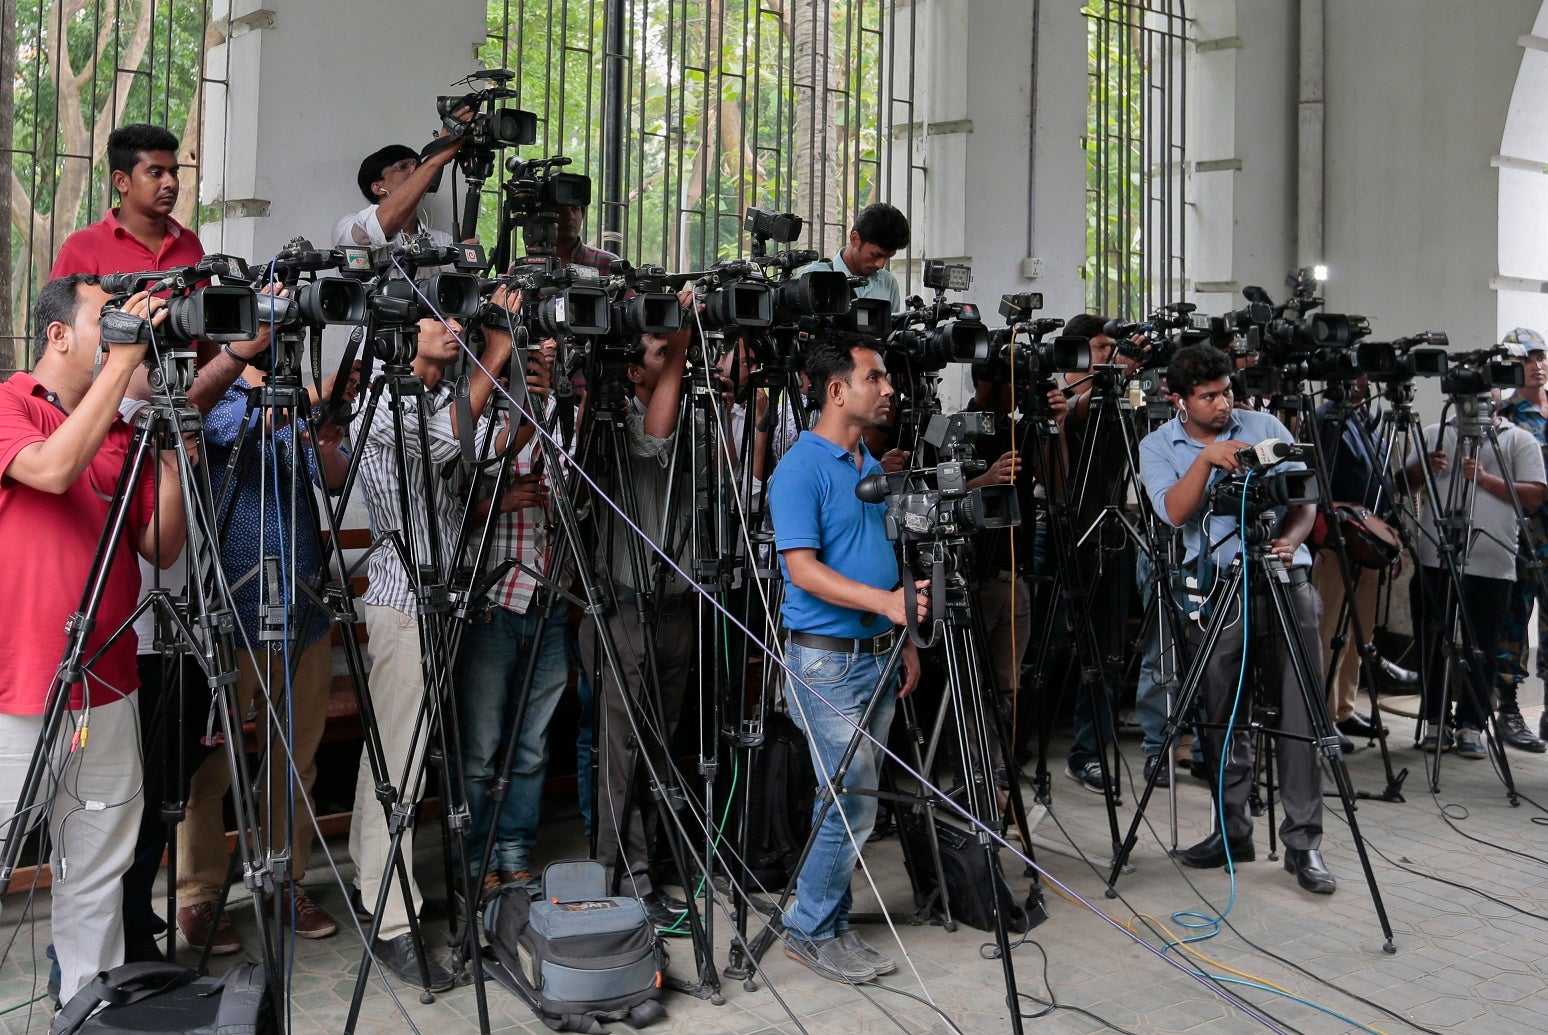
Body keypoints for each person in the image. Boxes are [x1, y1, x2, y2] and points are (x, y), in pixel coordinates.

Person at [49, 122, 283, 965]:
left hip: (181, 463)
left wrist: (235, 360)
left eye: (176, 171)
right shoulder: (82, 250)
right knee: (117, 705)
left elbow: (201, 378)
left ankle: (141, 912)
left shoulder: (196, 250)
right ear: (119, 182)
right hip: (110, 463)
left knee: (176, 723)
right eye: (155, 172)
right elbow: (85, 367)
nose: (170, 184)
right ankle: (97, 926)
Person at [0, 275, 184, 1001]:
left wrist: (170, 458)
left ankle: (84, 1008)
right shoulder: (11, 402)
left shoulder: (124, 432)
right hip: (18, 687)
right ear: (57, 335)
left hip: (109, 686)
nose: (118, 331)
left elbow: (161, 549)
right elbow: (49, 470)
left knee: (98, 869)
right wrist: (122, 365)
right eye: (103, 318)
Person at [348, 304, 515, 990]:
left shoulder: (448, 394)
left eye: (456, 314)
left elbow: (487, 445)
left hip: (447, 596)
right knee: (400, 762)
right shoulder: (377, 403)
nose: (453, 326)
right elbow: (449, 443)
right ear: (399, 333)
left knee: (403, 756)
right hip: (402, 601)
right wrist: (497, 356)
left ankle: (390, 889)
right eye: (434, 318)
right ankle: (389, 919)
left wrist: (520, 379)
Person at [172, 360, 357, 953]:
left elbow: (330, 477)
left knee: (295, 764)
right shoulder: (218, 393)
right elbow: (234, 430)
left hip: (301, 614)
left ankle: (284, 882)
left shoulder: (300, 403)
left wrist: (327, 434)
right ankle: (199, 897)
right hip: (231, 613)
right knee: (209, 774)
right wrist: (316, 395)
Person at [1137, 343, 1334, 895]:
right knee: (1224, 719)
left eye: (1226, 391)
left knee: (1300, 714)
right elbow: (1174, 513)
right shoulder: (1159, 445)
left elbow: (1305, 498)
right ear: (1178, 399)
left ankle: (1304, 844)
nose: (1223, 404)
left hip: (1283, 580)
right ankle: (1231, 832)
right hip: (1220, 588)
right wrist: (1205, 459)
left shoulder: (1263, 422)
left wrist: (1290, 543)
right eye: (1208, 396)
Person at [767, 338, 925, 982]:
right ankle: (809, 927)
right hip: (826, 662)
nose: (888, 388)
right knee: (852, 800)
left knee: (846, 797)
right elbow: (800, 570)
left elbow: (883, 552)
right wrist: (887, 605)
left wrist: (905, 634)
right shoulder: (800, 469)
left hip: (879, 655)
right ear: (836, 391)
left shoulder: (864, 460)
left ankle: (822, 921)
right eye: (875, 377)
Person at [577, 314, 699, 927]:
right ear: (632, 372)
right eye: (659, 353)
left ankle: (648, 866)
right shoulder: (620, 428)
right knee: (622, 751)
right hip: (625, 606)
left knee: (660, 744)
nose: (677, 357)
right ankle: (623, 875)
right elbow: (655, 438)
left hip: (677, 607)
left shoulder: (696, 424)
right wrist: (681, 345)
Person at [455, 343, 568, 895]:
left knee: (532, 745)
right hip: (492, 601)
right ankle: (475, 865)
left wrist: (564, 504)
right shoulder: (472, 417)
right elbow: (448, 503)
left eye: (546, 365)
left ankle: (516, 851)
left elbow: (585, 502)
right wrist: (499, 503)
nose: (539, 372)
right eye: (531, 363)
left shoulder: (561, 423)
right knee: (481, 748)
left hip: (547, 602)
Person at [1405, 384, 1546, 758]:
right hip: (1436, 558)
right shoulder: (1435, 433)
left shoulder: (1518, 439)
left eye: (1484, 393)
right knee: (1433, 642)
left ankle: (1472, 723)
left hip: (1492, 563)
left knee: (1481, 646)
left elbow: (1534, 496)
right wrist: (1422, 467)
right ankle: (1436, 719)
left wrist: (1485, 479)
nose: (1476, 402)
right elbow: (1404, 484)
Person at [1056, 314, 1136, 795]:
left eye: (1112, 348)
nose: (1109, 356)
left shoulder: (1117, 395)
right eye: (1102, 347)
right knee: (1046, 647)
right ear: (1079, 351)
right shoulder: (1055, 396)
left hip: (1111, 528)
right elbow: (1076, 410)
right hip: (1060, 529)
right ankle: (1015, 747)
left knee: (1105, 651)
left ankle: (1087, 751)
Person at [1308, 375, 1392, 751]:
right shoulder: (1327, 420)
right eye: (1354, 370)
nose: (1363, 379)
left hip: (1369, 538)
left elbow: (1379, 480)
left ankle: (1343, 708)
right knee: (1330, 631)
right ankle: (1321, 713)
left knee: (1361, 631)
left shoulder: (1364, 422)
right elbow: (1318, 482)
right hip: (1337, 540)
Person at [1494, 328, 1548, 752]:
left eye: (1542, 357)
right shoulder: (1507, 417)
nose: (1538, 365)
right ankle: (1508, 709)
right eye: (1529, 359)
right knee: (1514, 619)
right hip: (1525, 535)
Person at [333, 134, 467, 264]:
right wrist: (436, 159)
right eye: (403, 166)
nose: (415, 171)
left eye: (418, 166)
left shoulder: (443, 242)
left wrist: (465, 264)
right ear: (378, 187)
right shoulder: (346, 228)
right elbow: (379, 226)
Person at [796, 203, 909, 312]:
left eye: (887, 257)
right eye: (875, 255)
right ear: (855, 239)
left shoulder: (888, 283)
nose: (880, 265)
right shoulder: (812, 277)